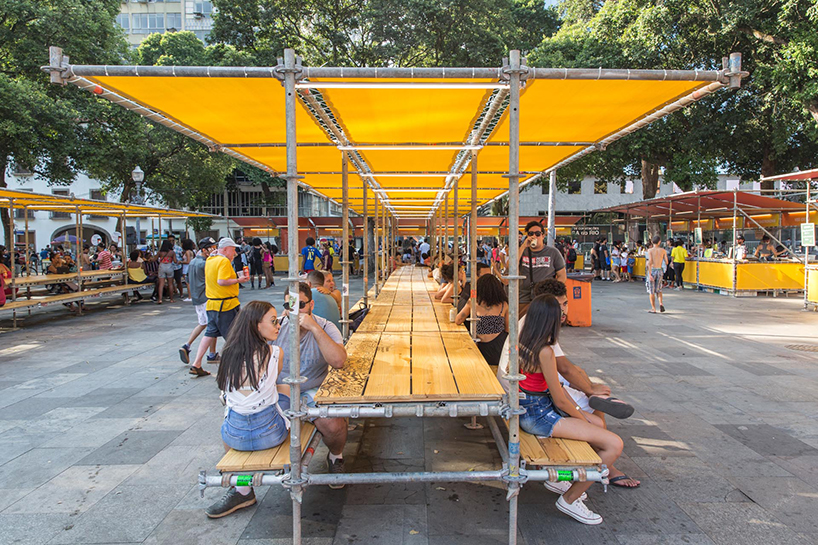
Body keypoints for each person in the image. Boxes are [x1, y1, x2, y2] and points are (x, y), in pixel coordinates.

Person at [515, 295, 625, 524]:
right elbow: (560, 399)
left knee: (597, 424)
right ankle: (570, 498)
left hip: (531, 410)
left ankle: (564, 477)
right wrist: (581, 416)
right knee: (614, 444)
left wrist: (582, 417)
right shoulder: (545, 351)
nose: (563, 317)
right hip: (540, 415)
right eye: (560, 314)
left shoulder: (524, 341)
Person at [205, 301, 290, 518]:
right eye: (273, 321)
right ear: (256, 325)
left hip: (234, 438)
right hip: (271, 435)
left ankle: (243, 488)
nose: (278, 325)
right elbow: (273, 382)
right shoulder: (275, 352)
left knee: (231, 409)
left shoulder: (228, 354)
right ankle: (292, 451)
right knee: (286, 389)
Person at [275, 283, 348, 487]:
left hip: (313, 390)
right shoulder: (276, 328)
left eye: (301, 305)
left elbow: (339, 361)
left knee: (334, 425)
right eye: (290, 306)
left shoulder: (325, 326)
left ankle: (336, 456)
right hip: (281, 391)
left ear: (311, 305)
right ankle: (242, 487)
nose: (296, 311)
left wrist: (313, 327)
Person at [190, 237, 249, 377]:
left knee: (210, 333)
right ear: (225, 249)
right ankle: (234, 365)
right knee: (233, 335)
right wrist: (239, 280)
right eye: (233, 249)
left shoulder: (210, 259)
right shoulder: (223, 261)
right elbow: (222, 281)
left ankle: (196, 363)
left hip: (212, 303)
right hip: (225, 304)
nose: (234, 252)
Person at [510, 220, 566, 316]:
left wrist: (554, 293)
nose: (534, 236)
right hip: (524, 296)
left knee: (545, 325)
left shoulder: (553, 252)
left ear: (543, 235)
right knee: (523, 325)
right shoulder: (522, 251)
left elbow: (562, 275)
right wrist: (523, 246)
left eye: (537, 234)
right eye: (531, 234)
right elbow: (510, 266)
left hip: (545, 296)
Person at [180, 238, 219, 365]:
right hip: (207, 297)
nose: (213, 249)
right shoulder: (206, 263)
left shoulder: (193, 262)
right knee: (212, 326)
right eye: (211, 247)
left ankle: (187, 345)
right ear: (204, 249)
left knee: (203, 324)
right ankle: (212, 354)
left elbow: (188, 280)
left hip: (197, 297)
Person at [455, 274, 508, 366]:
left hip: (480, 347)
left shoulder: (473, 303)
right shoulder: (504, 305)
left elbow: (458, 320)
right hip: (499, 348)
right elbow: (508, 329)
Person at [645, 235, 667, 313]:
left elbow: (650, 261)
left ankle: (653, 308)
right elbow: (666, 261)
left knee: (651, 290)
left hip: (653, 270)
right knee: (659, 289)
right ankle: (661, 303)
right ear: (659, 242)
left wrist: (649, 273)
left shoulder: (650, 251)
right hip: (659, 270)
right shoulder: (663, 250)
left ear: (652, 242)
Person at [156, 240, 177, 304]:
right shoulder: (172, 252)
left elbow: (154, 259)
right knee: (170, 283)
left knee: (161, 284)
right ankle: (171, 299)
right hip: (169, 266)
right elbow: (175, 261)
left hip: (162, 266)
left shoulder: (160, 252)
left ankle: (160, 299)